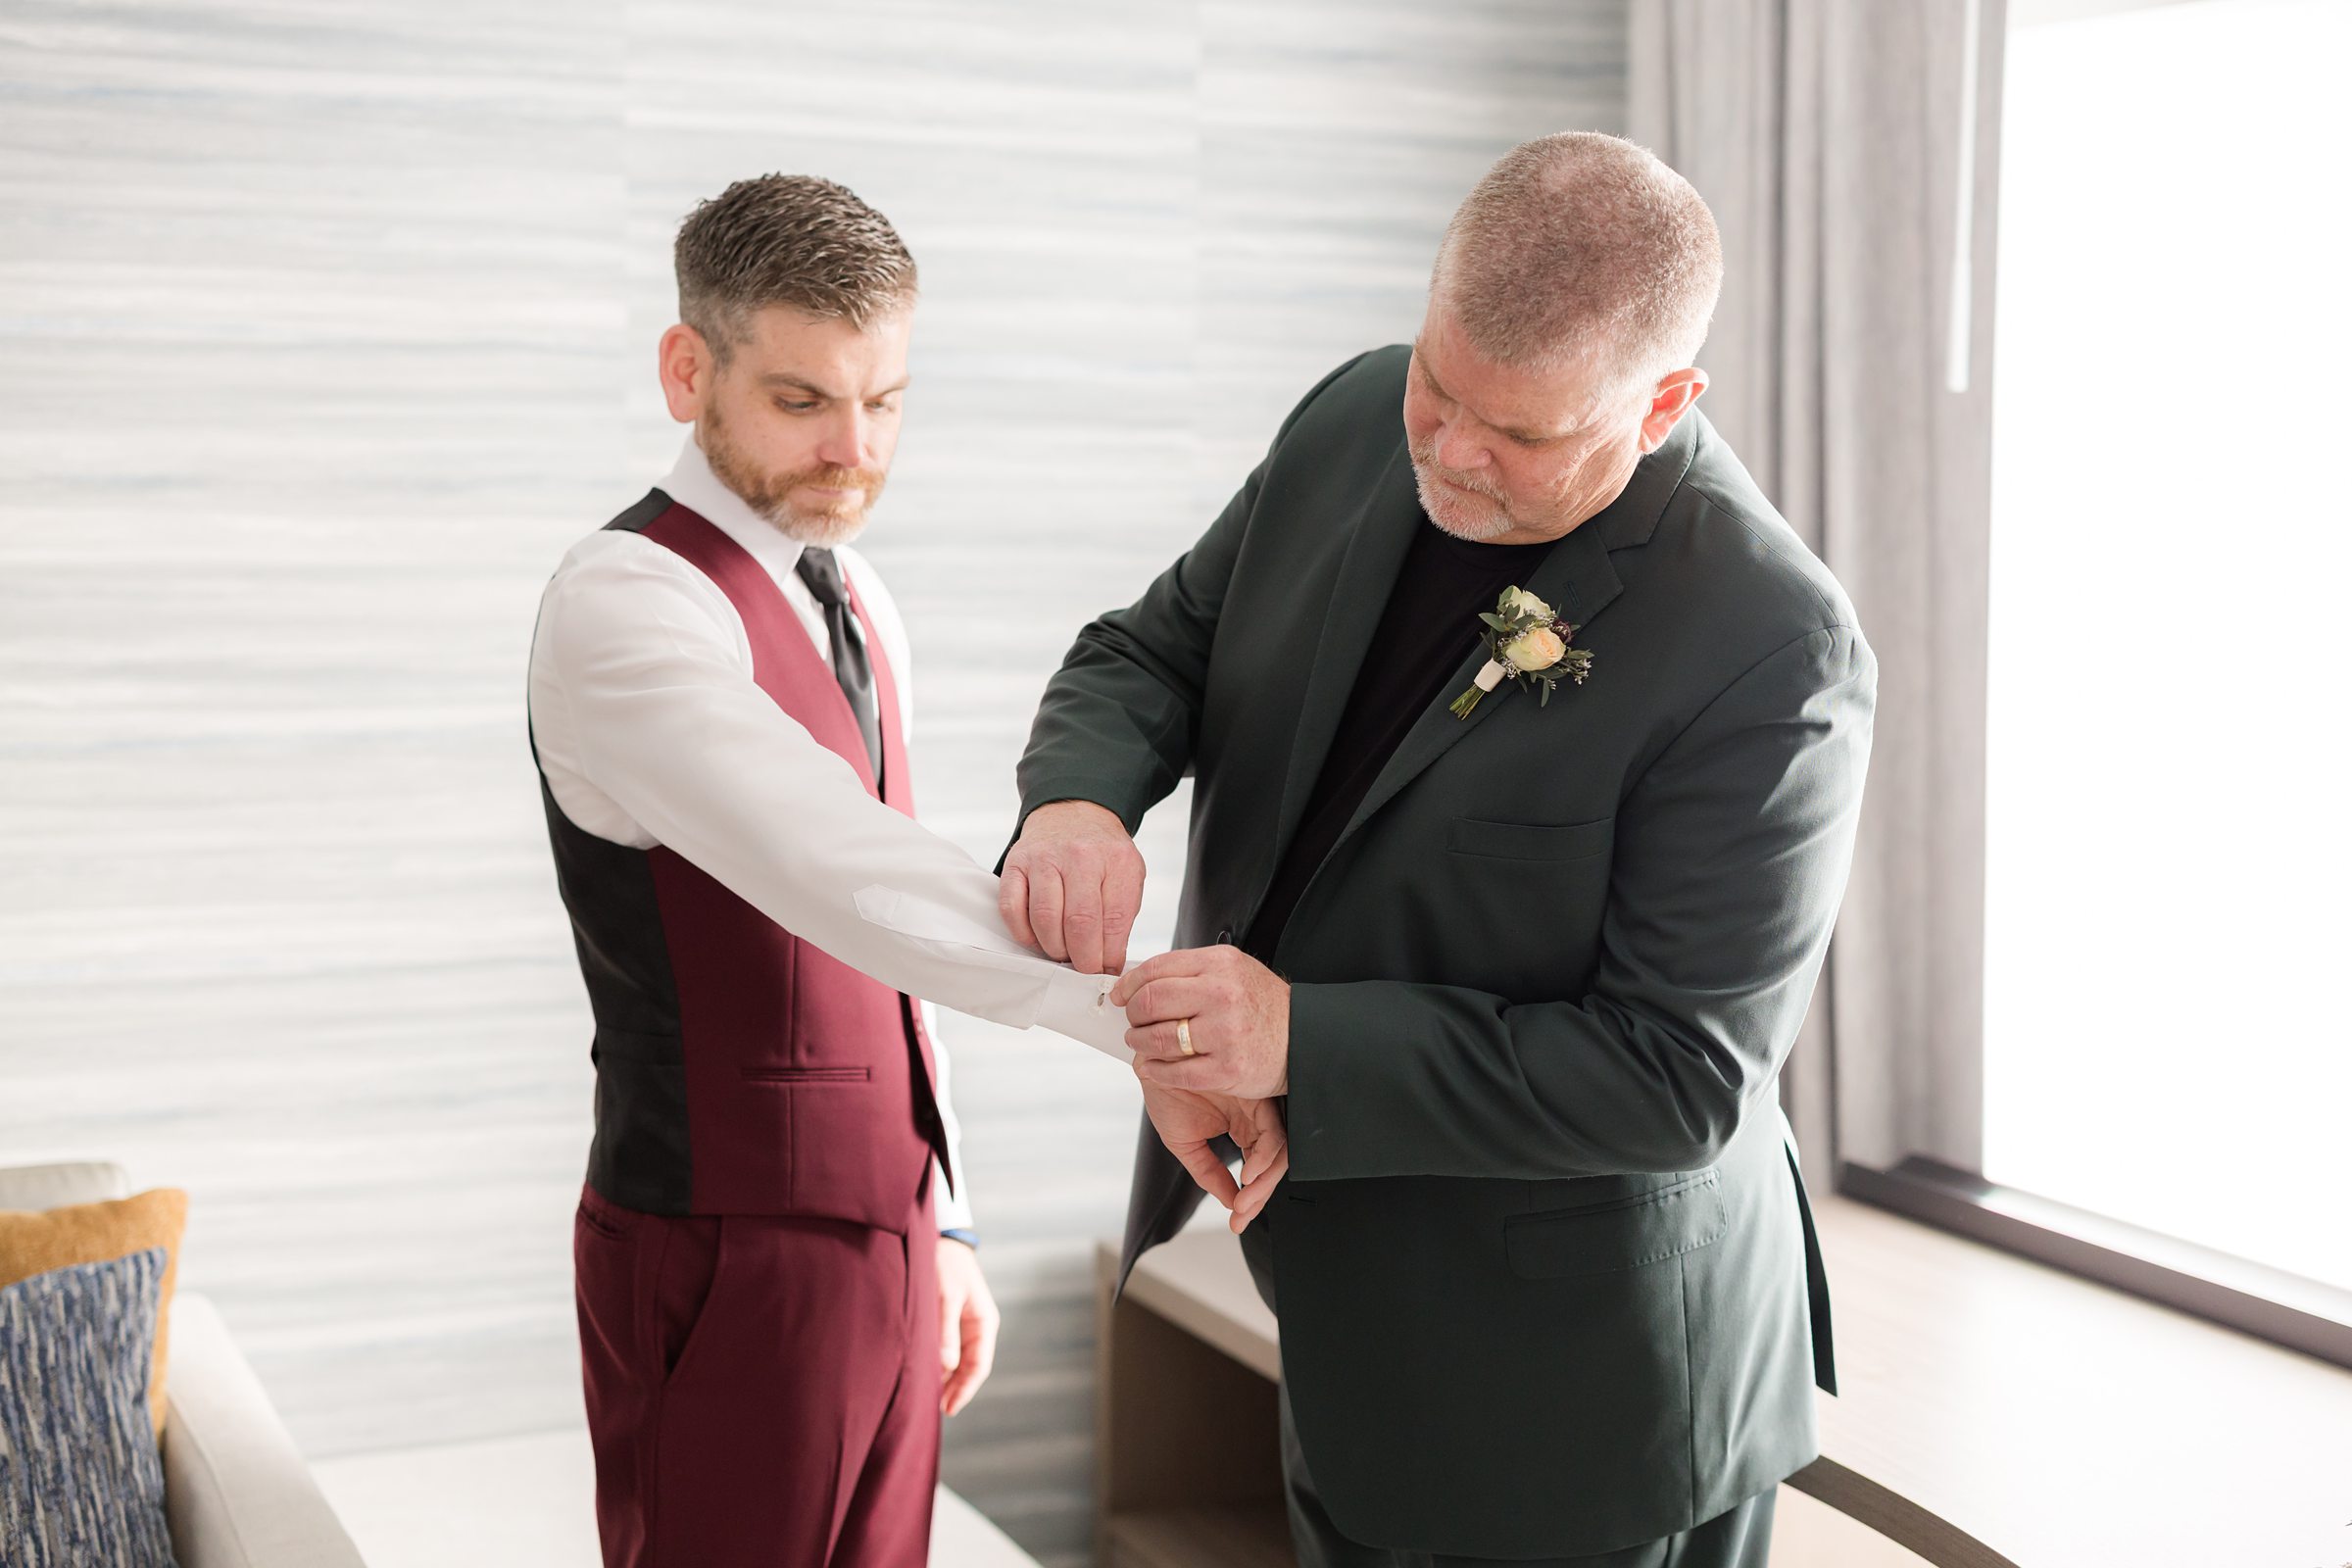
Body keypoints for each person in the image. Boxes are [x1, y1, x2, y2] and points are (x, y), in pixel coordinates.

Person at [1004, 131, 1874, 1568]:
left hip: (1581, 1398)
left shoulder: (1773, 645)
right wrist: (1078, 803)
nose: (1453, 455)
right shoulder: (1355, 418)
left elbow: (1679, 1077)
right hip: (1348, 1309)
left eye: (1524, 435)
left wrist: (1297, 1040)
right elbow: (1154, 649)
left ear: (1665, 403)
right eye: (1439, 388)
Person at [526, 174, 1282, 1568]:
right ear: (687, 369)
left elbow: (898, 955)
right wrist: (1150, 1028)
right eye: (804, 401)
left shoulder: (857, 595)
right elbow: (848, 871)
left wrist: (943, 1217)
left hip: (884, 1231)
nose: (852, 449)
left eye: (885, 403)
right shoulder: (623, 605)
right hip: (717, 1242)